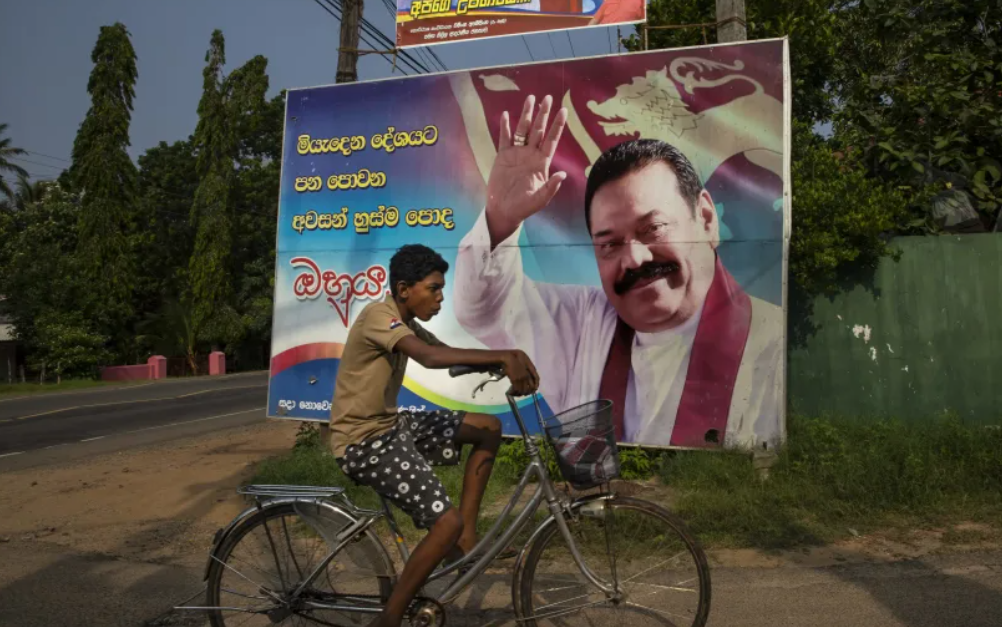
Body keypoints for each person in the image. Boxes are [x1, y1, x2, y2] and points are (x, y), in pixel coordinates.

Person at [453, 94, 784, 450]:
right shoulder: (586, 324)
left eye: (653, 228)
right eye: (609, 244)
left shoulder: (774, 351)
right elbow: (485, 310)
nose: (634, 259)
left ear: (704, 218)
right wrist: (501, 219)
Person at [329, 243, 538, 627]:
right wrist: (504, 355)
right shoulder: (381, 316)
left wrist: (502, 359)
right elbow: (428, 357)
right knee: (445, 522)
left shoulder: (406, 323)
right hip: (364, 442)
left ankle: (465, 545)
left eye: (442, 289)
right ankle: (390, 618)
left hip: (391, 426)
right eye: (434, 288)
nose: (441, 297)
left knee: (488, 427)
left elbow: (446, 353)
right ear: (405, 288)